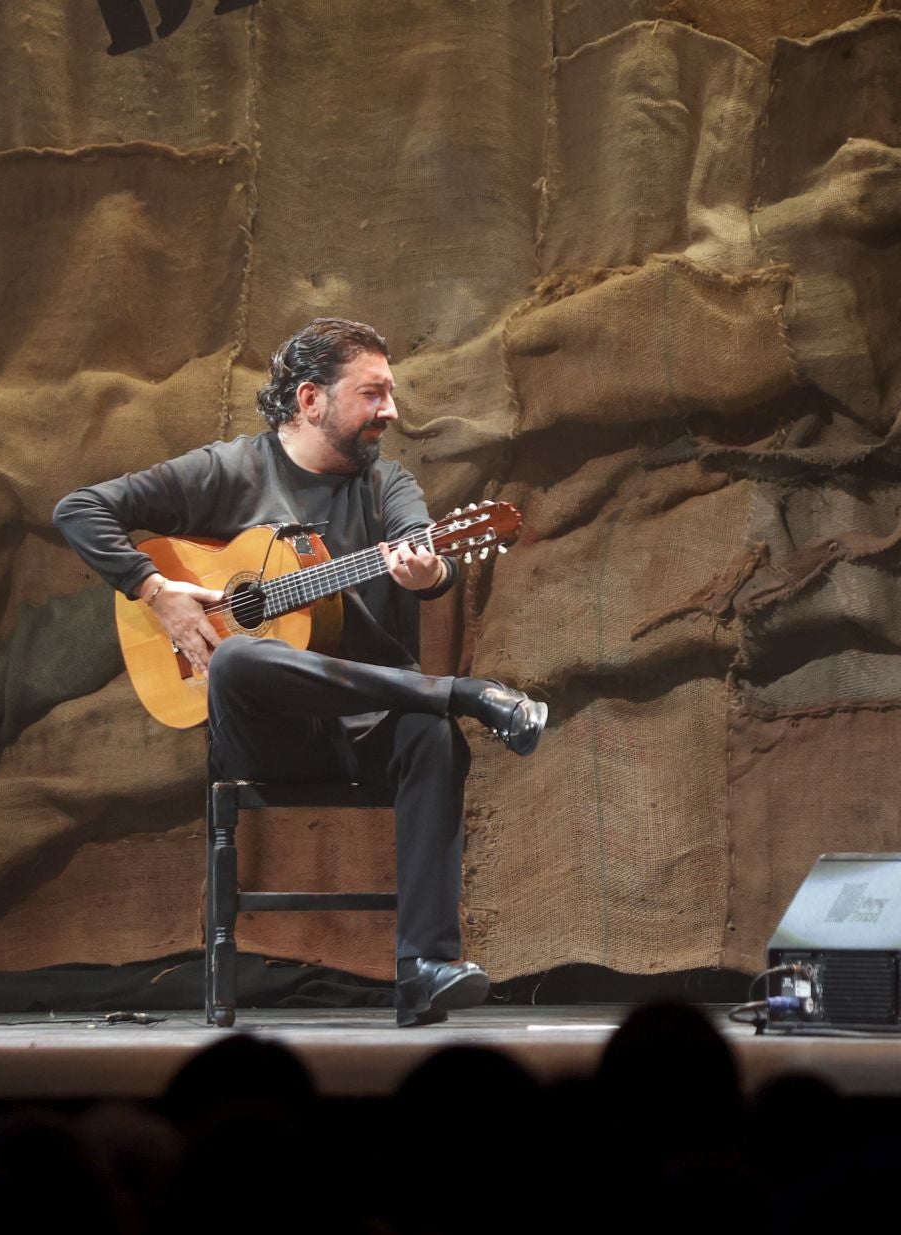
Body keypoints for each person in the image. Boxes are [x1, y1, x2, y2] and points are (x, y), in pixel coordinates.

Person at [55, 317, 545, 1028]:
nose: (392, 411)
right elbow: (81, 508)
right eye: (373, 394)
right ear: (311, 399)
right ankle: (462, 695)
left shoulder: (388, 485)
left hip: (373, 720)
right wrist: (156, 592)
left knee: (434, 735)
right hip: (267, 733)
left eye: (392, 394)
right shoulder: (228, 471)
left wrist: (430, 565)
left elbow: (422, 549)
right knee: (244, 656)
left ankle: (424, 967)